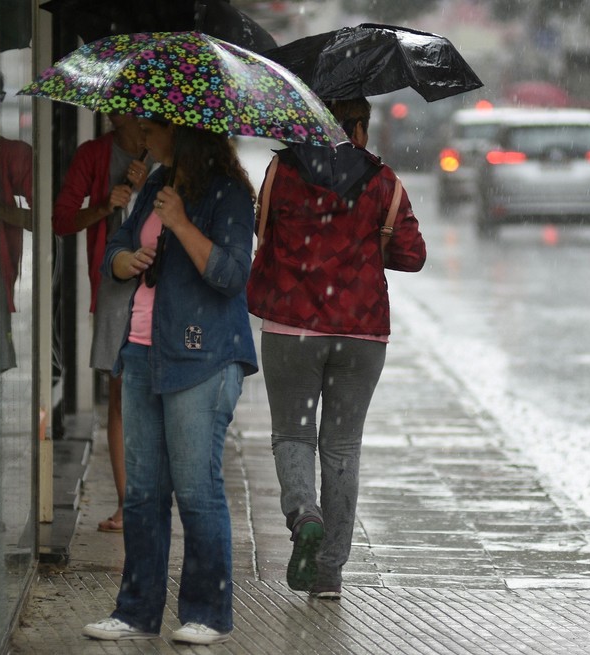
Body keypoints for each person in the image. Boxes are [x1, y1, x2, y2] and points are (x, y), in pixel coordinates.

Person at [82, 116, 257, 645]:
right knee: (143, 493)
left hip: (204, 356)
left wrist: (180, 223)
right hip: (142, 350)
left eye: (152, 129)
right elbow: (117, 246)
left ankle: (208, 613)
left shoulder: (228, 194)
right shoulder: (157, 182)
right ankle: (136, 611)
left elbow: (231, 275)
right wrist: (125, 261)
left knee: (197, 489)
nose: (143, 137)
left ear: (181, 132)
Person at [246, 97, 427, 600]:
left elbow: (262, 230)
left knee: (292, 435)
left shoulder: (283, 170)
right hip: (360, 332)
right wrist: (365, 243)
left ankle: (305, 514)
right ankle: (328, 574)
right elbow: (412, 255)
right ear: (358, 128)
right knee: (342, 447)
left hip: (291, 326)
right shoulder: (383, 180)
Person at [52, 113, 149, 533]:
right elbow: (61, 219)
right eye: (121, 107)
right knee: (120, 394)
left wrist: (148, 188)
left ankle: (154, 498)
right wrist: (104, 206)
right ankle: (128, 505)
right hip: (113, 289)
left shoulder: (170, 154)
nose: (129, 115)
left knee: (160, 394)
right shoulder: (93, 155)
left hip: (163, 288)